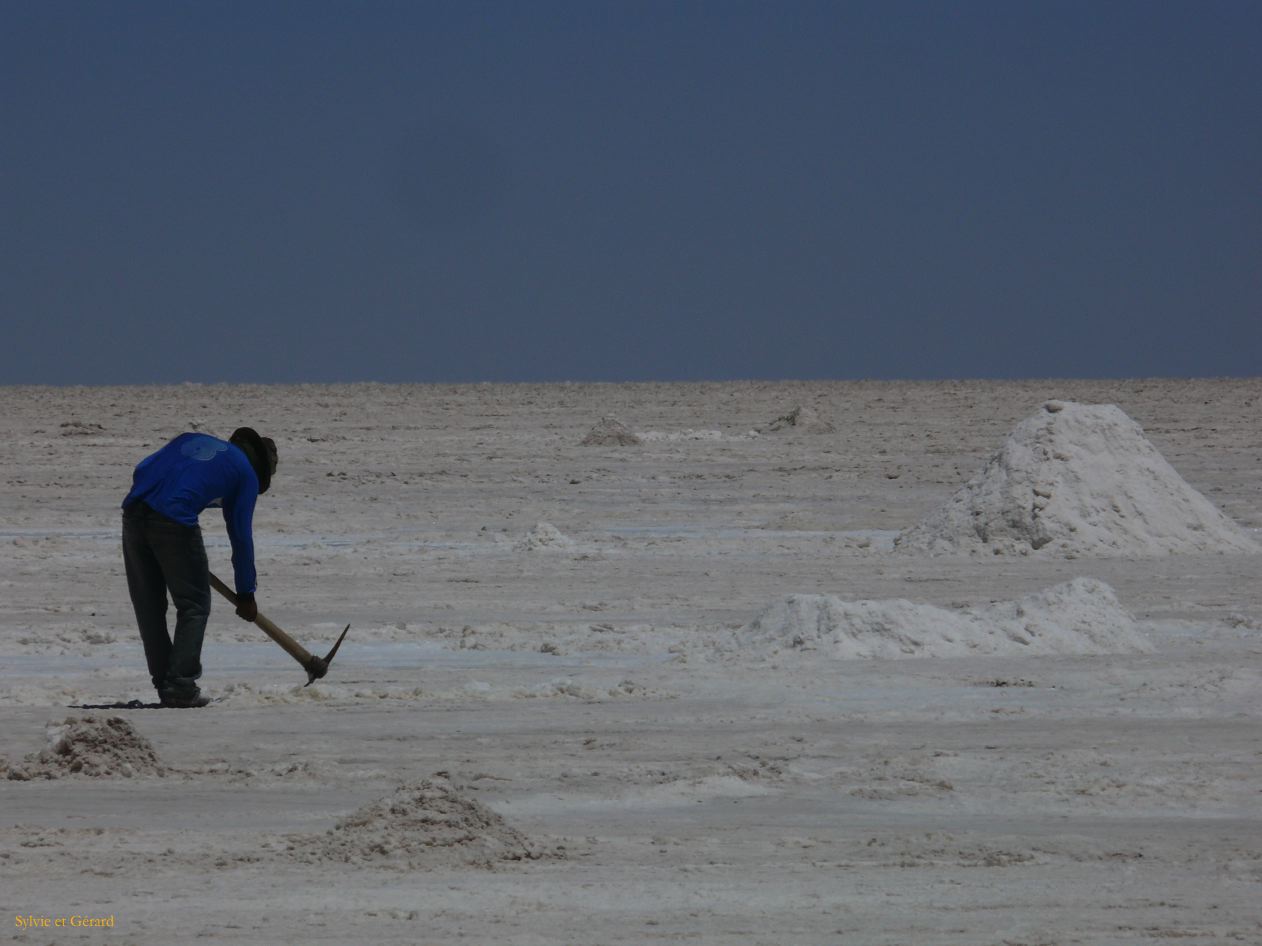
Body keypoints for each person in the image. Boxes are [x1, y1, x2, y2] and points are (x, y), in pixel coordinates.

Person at [121, 427, 277, 707]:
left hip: (133, 511)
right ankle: (179, 686)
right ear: (261, 469)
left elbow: (142, 468)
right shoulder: (245, 474)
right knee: (194, 605)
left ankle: (166, 683)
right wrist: (246, 594)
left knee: (149, 605)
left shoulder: (192, 439)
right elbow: (241, 538)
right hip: (175, 520)